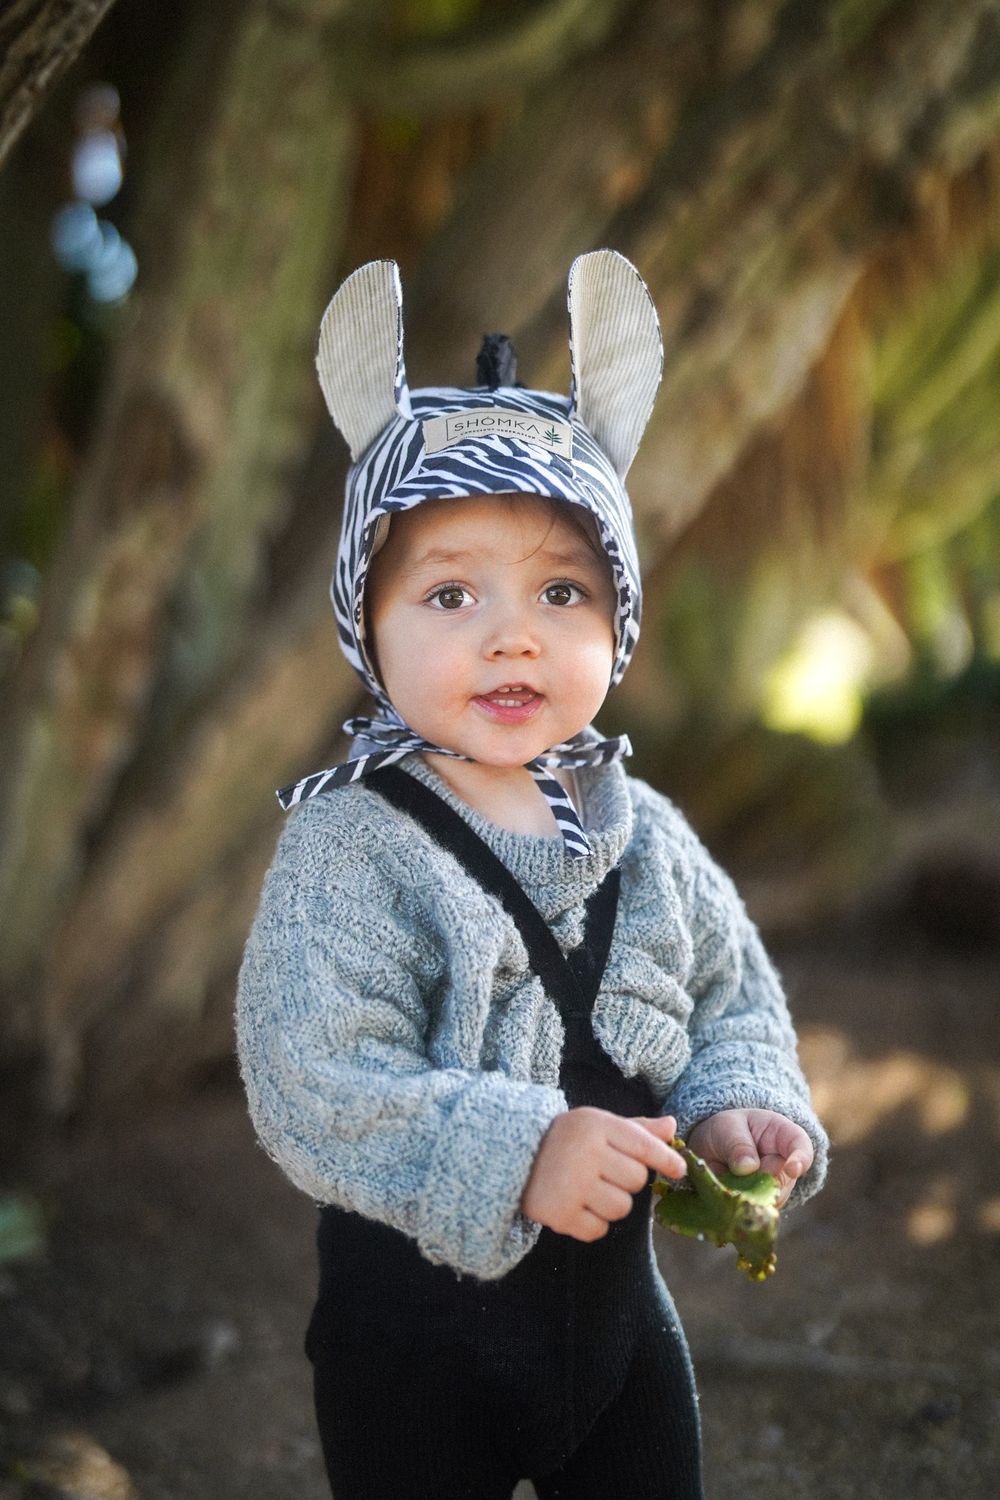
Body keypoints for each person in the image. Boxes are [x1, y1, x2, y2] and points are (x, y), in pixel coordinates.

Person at [235, 251, 829, 1500]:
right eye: (450, 592)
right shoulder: (352, 842)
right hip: (410, 1347)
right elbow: (311, 1075)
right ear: (366, 626)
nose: (512, 632)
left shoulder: (645, 830)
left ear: (616, 620)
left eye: (562, 589)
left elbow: (728, 996)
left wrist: (737, 1102)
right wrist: (520, 1152)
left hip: (616, 1337)